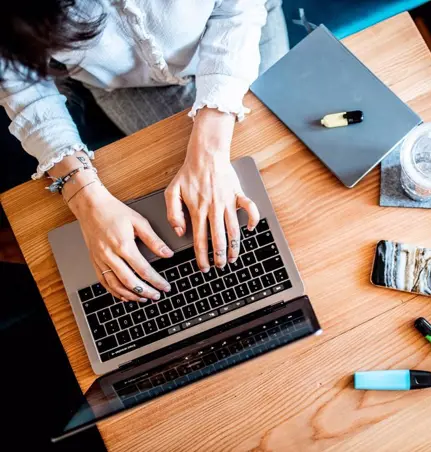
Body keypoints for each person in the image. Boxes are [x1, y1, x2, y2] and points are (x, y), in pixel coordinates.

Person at [0, 0, 289, 303]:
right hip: (130, 84)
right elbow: (22, 89)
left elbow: (237, 10)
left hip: (234, 27)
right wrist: (85, 199)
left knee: (270, 187)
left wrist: (209, 153)